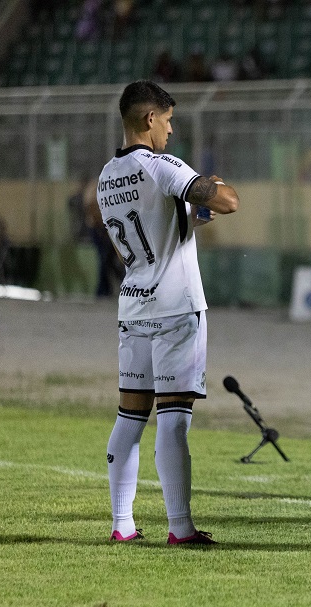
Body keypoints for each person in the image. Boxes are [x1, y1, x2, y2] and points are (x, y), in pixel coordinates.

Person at [98, 80, 239, 544]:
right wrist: (213, 187)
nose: (172, 130)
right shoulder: (161, 165)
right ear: (149, 120)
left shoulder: (106, 177)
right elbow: (226, 201)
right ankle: (179, 527)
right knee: (174, 417)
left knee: (129, 417)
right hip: (177, 308)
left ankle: (122, 525)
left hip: (134, 305)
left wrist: (188, 216)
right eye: (169, 120)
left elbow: (146, 232)